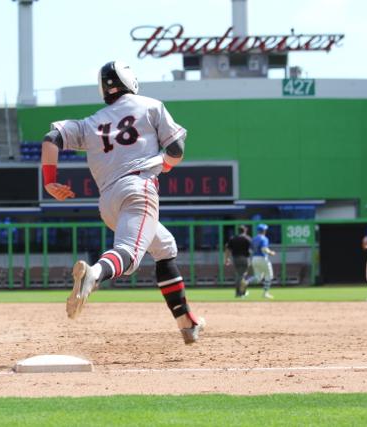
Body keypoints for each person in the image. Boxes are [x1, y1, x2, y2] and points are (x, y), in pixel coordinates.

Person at [40, 61, 205, 345]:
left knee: (165, 248)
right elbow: (176, 149)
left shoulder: (92, 122)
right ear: (131, 81)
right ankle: (94, 274)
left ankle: (187, 324)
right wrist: (165, 164)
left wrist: (49, 181)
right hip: (138, 190)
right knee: (128, 256)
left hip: (108, 202)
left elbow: (51, 137)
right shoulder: (151, 106)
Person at [244, 223, 276, 299]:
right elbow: (264, 249)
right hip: (262, 258)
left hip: (254, 258)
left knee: (257, 278)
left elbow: (250, 250)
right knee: (269, 275)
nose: (266, 231)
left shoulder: (254, 239)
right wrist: (271, 252)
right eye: (265, 230)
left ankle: (245, 282)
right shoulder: (264, 238)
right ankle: (265, 293)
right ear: (264, 230)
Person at [224, 225, 252, 298]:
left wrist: (227, 259)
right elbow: (252, 248)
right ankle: (242, 293)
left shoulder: (233, 238)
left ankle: (238, 292)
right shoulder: (247, 238)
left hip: (235, 258)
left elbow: (227, 249)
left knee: (238, 275)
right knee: (243, 276)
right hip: (245, 258)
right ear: (245, 230)